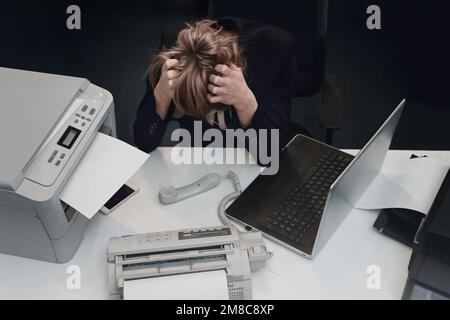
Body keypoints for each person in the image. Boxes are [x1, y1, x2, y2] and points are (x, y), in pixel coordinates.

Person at [134, 17, 297, 154]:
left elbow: (270, 154)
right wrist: (161, 95)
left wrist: (245, 102)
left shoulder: (275, 50)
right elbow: (144, 142)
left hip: (250, 156)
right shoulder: (174, 52)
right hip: (201, 153)